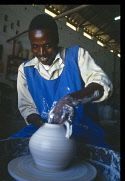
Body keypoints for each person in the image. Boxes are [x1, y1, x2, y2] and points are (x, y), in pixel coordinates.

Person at [9, 14, 113, 148]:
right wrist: (49, 129)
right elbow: (27, 108)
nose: (42, 53)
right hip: (44, 126)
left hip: (82, 127)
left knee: (104, 157)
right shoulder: (25, 70)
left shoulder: (76, 55)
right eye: (35, 47)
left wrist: (69, 100)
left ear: (57, 40)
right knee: (10, 147)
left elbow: (102, 84)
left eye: (47, 45)